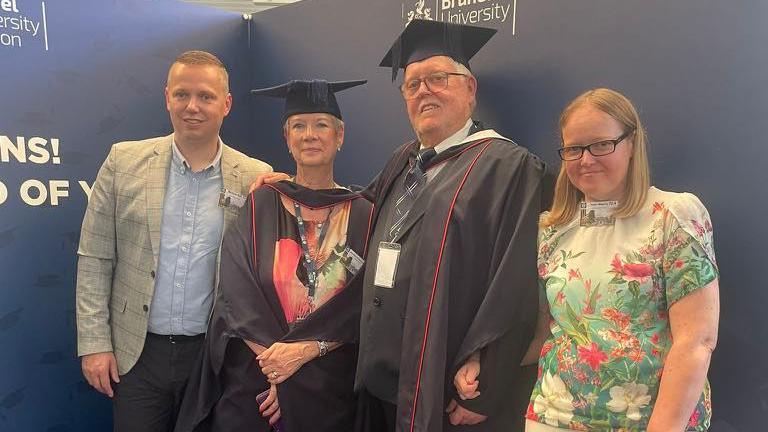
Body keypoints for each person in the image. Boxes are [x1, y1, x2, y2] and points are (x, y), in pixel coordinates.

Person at [354, 19, 546, 431]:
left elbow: (515, 285)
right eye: (412, 84)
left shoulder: (507, 167)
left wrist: (489, 385)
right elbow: (356, 211)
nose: (424, 90)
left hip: (449, 386)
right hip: (384, 380)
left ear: (470, 89)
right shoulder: (403, 160)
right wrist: (294, 188)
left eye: (438, 78)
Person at [75, 50, 272, 432]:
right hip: (136, 355)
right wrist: (95, 343)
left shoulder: (254, 175)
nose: (192, 106)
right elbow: (95, 256)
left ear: (226, 104)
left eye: (206, 96)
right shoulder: (122, 161)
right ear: (167, 97)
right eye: (182, 94)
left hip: (212, 357)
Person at [173, 79, 372, 432]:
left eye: (321, 125)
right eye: (299, 125)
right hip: (256, 382)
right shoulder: (261, 204)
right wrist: (276, 368)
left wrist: (301, 357)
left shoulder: (363, 215)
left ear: (339, 136)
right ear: (287, 139)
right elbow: (236, 292)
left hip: (328, 388)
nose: (310, 134)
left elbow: (364, 306)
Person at [525, 88, 719, 431]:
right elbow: (541, 332)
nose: (586, 159)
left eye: (601, 144)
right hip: (553, 418)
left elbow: (697, 340)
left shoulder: (674, 216)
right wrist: (480, 364)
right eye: (574, 148)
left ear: (631, 144)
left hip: (647, 421)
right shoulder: (550, 229)